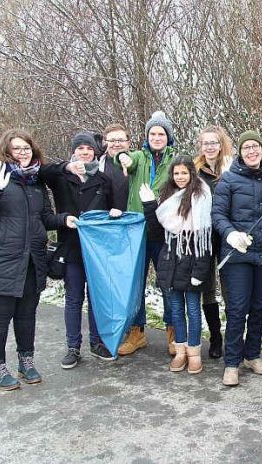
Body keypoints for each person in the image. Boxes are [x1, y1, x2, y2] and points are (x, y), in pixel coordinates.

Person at [0, 129, 75, 390]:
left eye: (27, 148)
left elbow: (45, 217)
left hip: (31, 261)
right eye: (17, 149)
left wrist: (64, 219)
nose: (23, 153)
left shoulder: (35, 182)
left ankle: (26, 361)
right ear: (6, 151)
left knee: (27, 316)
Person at [39, 131, 125, 368]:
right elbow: (41, 171)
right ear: (74, 151)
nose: (85, 153)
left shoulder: (103, 179)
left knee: (96, 299)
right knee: (74, 299)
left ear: (95, 152)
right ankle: (72, 347)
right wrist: (67, 167)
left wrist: (115, 213)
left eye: (89, 149)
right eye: (80, 149)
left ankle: (97, 342)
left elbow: (114, 208)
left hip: (97, 251)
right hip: (71, 248)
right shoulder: (61, 177)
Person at [212, 130, 262, 386]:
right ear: (239, 152)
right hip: (237, 255)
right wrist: (230, 235)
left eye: (256, 146)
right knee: (237, 308)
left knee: (259, 307)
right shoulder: (228, 180)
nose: (252, 151)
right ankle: (232, 362)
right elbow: (218, 214)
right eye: (246, 148)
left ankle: (252, 355)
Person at [140, 156, 213, 374]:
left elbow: (204, 238)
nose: (180, 177)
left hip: (192, 261)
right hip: (170, 262)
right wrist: (149, 205)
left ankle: (194, 353)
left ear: (191, 174)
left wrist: (200, 271)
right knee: (175, 311)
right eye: (176, 173)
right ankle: (180, 351)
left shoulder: (201, 196)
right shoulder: (167, 197)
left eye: (184, 173)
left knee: (193, 309)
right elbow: (156, 232)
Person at [115, 111, 176, 356]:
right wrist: (123, 158)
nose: (157, 137)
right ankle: (136, 332)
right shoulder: (139, 157)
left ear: (168, 137)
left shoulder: (175, 160)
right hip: (136, 232)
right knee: (135, 285)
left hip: (163, 232)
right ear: (147, 136)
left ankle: (173, 331)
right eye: (152, 133)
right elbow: (124, 157)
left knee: (167, 285)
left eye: (161, 133)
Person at [193, 126, 233, 359]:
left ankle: (233, 336)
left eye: (214, 142)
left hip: (226, 234)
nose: (209, 147)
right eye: (205, 143)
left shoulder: (231, 168)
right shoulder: (195, 170)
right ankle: (215, 337)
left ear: (221, 145)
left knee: (230, 289)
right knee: (207, 289)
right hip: (204, 236)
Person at [99, 123, 131, 208]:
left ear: (128, 143)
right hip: (105, 218)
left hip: (133, 218)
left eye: (121, 140)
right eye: (112, 140)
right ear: (105, 143)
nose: (117, 144)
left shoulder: (139, 164)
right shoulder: (97, 166)